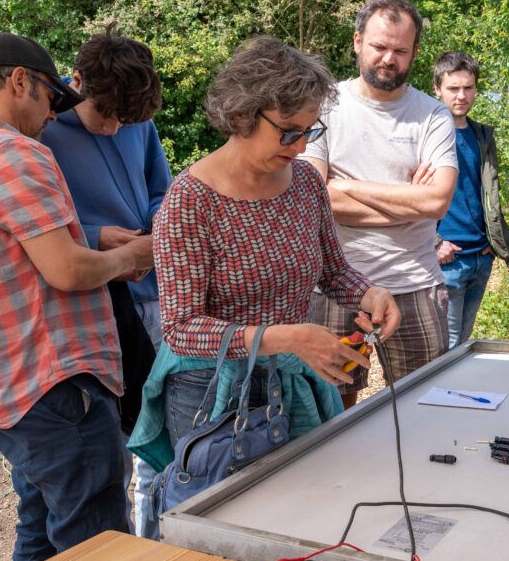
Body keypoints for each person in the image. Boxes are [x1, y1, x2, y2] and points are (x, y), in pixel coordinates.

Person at [0, 33, 154, 561]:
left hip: (8, 386)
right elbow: (67, 271)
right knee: (98, 556)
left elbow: (10, 255)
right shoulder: (14, 153)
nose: (53, 114)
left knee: (40, 537)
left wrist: (99, 241)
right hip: (58, 384)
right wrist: (134, 255)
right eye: (51, 98)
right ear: (19, 81)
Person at [128, 36, 401, 473]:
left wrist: (371, 294)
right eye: (289, 132)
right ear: (240, 115)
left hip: (288, 379)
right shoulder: (190, 202)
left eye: (309, 132)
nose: (299, 147)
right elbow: (182, 330)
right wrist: (288, 338)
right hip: (211, 394)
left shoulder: (306, 185)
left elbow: (334, 272)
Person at [40, 27, 170, 539]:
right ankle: (115, 542)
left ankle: (156, 540)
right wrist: (97, 238)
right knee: (110, 445)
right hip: (94, 305)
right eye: (106, 116)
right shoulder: (45, 134)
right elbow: (41, 228)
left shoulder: (137, 121)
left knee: (159, 431)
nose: (117, 128)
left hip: (154, 296)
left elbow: (160, 188)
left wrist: (158, 224)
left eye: (128, 119)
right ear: (76, 84)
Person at [301, 0, 457, 406]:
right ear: (356, 42)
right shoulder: (323, 108)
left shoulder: (433, 115)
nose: (389, 58)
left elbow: (438, 202)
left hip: (415, 285)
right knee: (331, 413)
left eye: (400, 50)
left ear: (415, 52)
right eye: (379, 47)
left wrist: (346, 186)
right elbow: (314, 197)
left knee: (425, 410)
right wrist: (409, 198)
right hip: (336, 288)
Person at [431, 51, 509, 348]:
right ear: (437, 89)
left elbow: (488, 193)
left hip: (480, 255)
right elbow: (411, 193)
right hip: (447, 257)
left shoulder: (482, 136)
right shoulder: (426, 134)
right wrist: (434, 242)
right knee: (445, 346)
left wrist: (494, 242)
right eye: (453, 88)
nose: (462, 95)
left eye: (468, 88)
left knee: (462, 343)